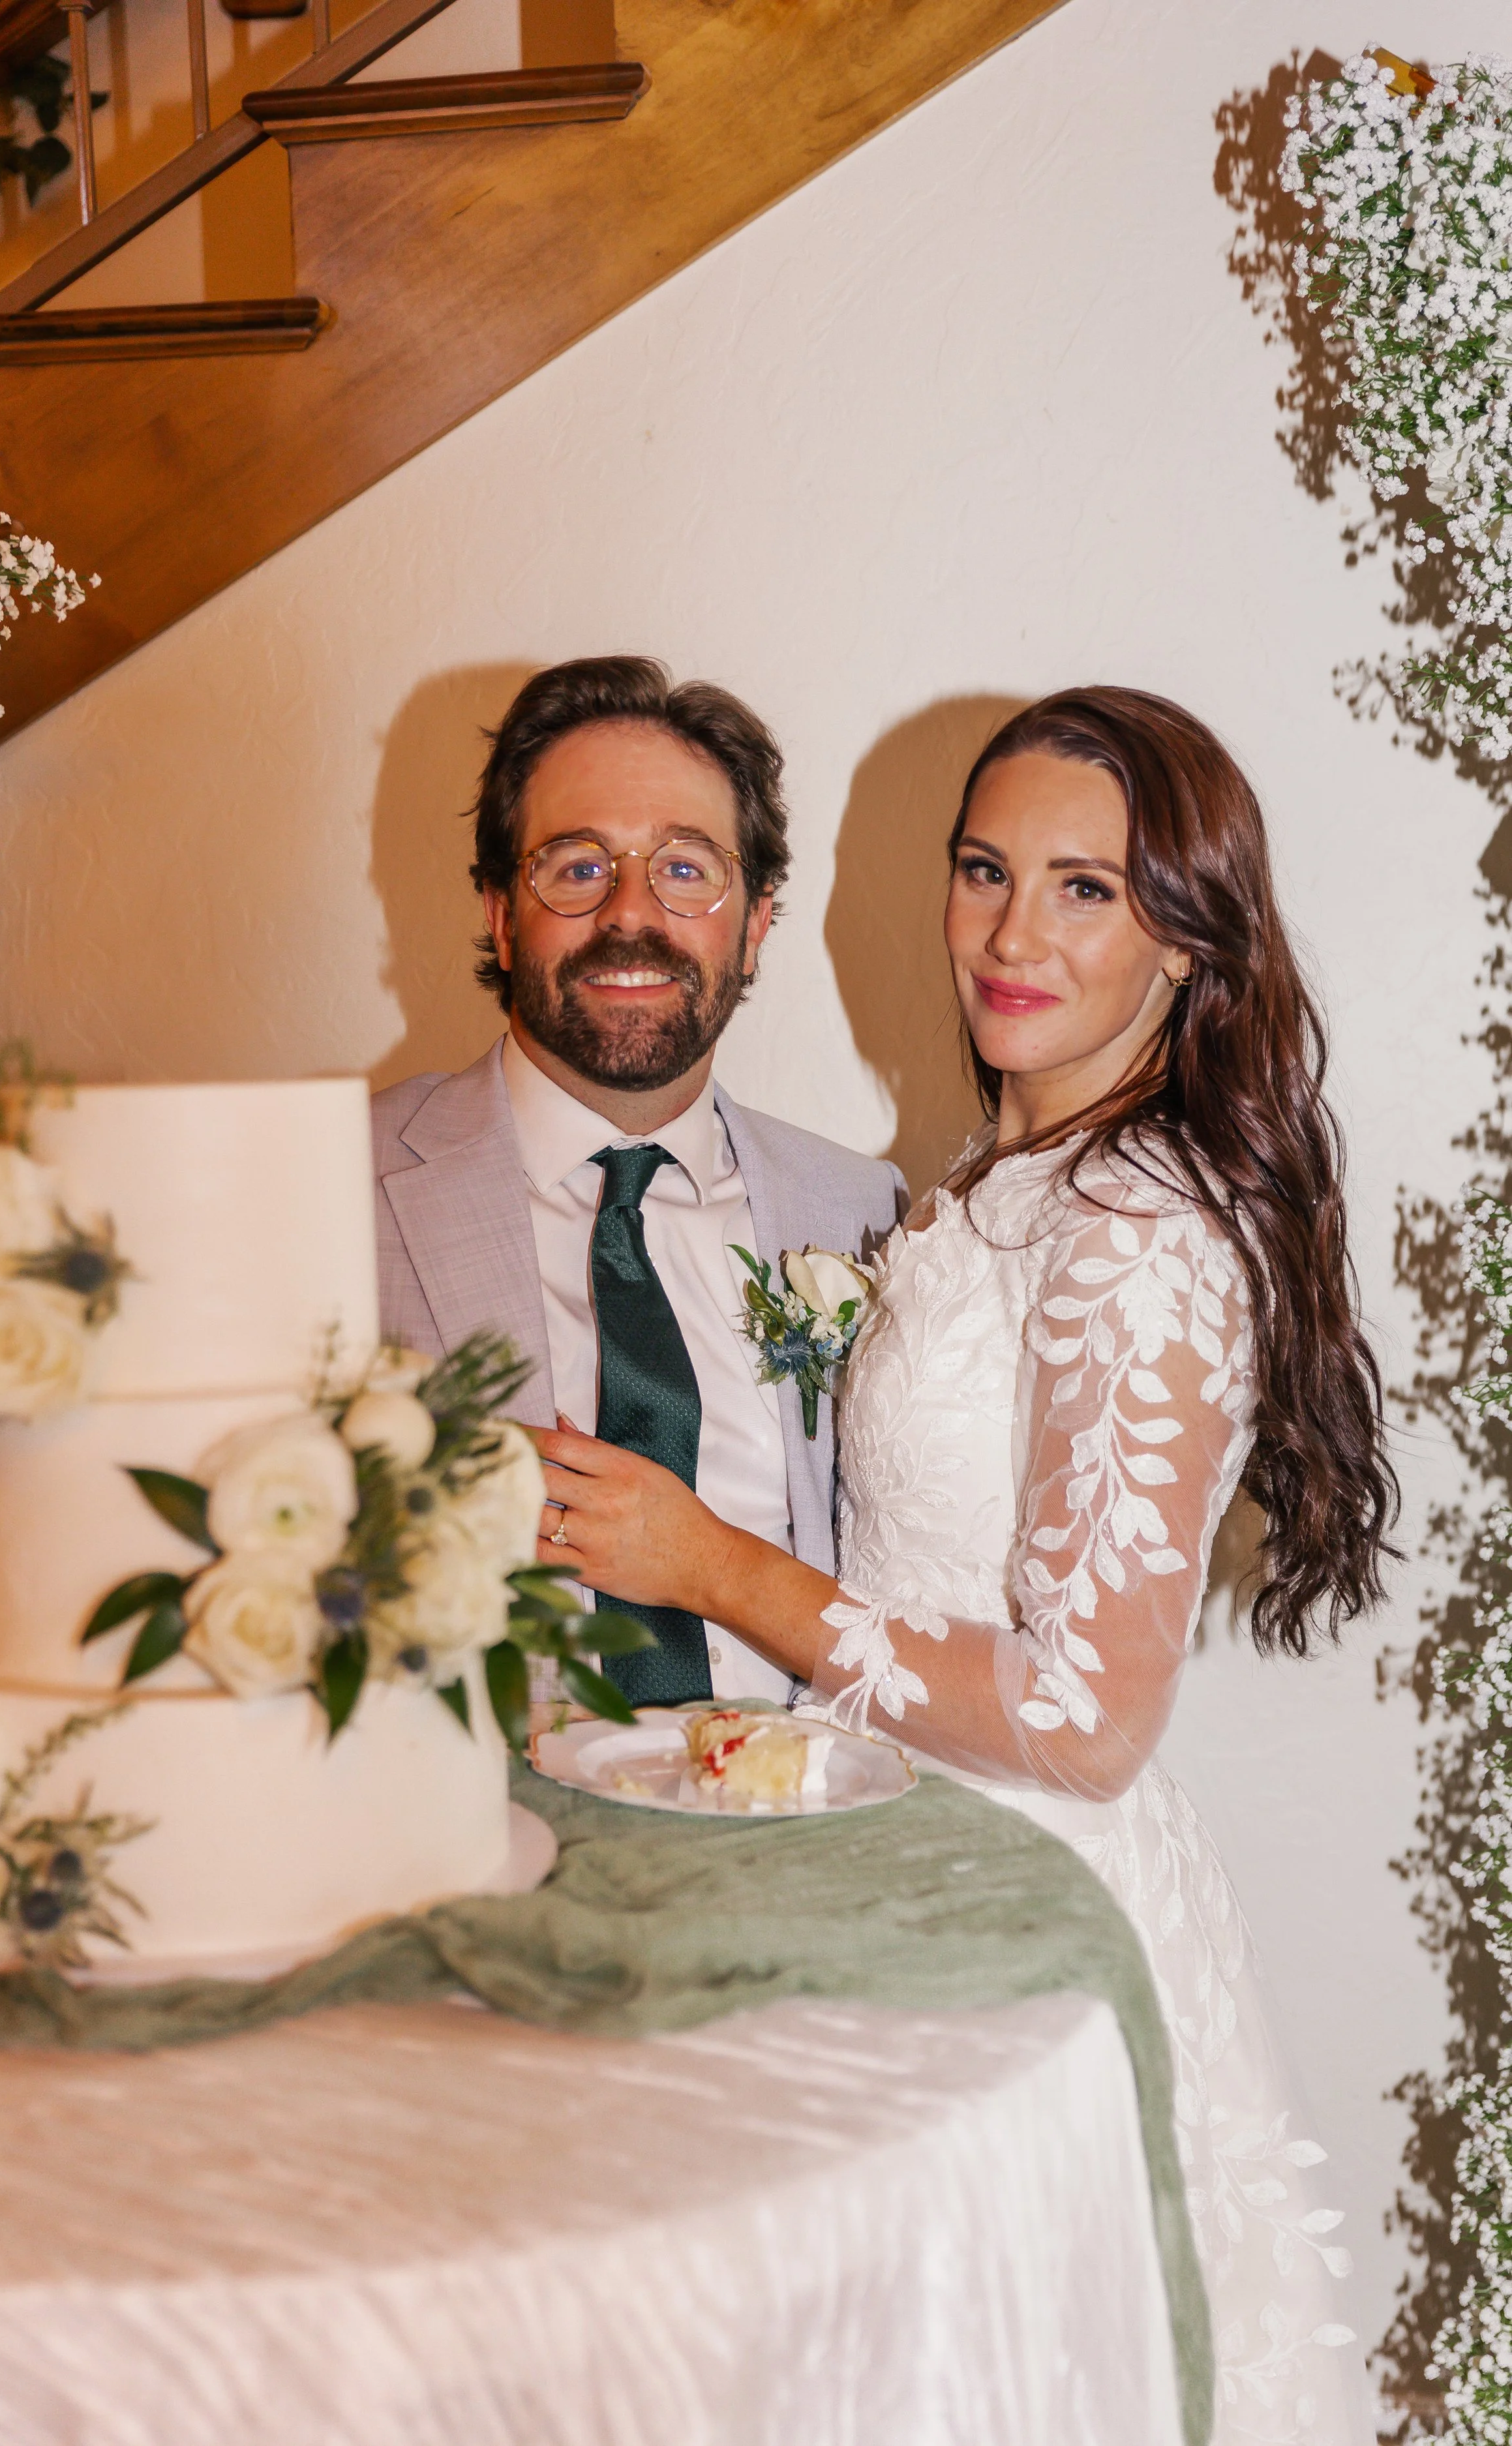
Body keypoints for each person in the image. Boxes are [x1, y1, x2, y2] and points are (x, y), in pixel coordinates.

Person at [531, 685, 1396, 2443]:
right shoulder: (1030, 1179)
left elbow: (1082, 1718)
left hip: (1020, 1903)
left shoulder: (1135, 1226)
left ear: (1186, 931)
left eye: (1088, 887)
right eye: (985, 868)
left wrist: (706, 1564)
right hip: (903, 1867)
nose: (1012, 932)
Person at [372, 655, 908, 1706]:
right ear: (497, 912)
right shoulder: (336, 1184)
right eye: (577, 867)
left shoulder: (867, 1212)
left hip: (803, 1828)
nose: (631, 913)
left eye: (686, 869)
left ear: (755, 924)